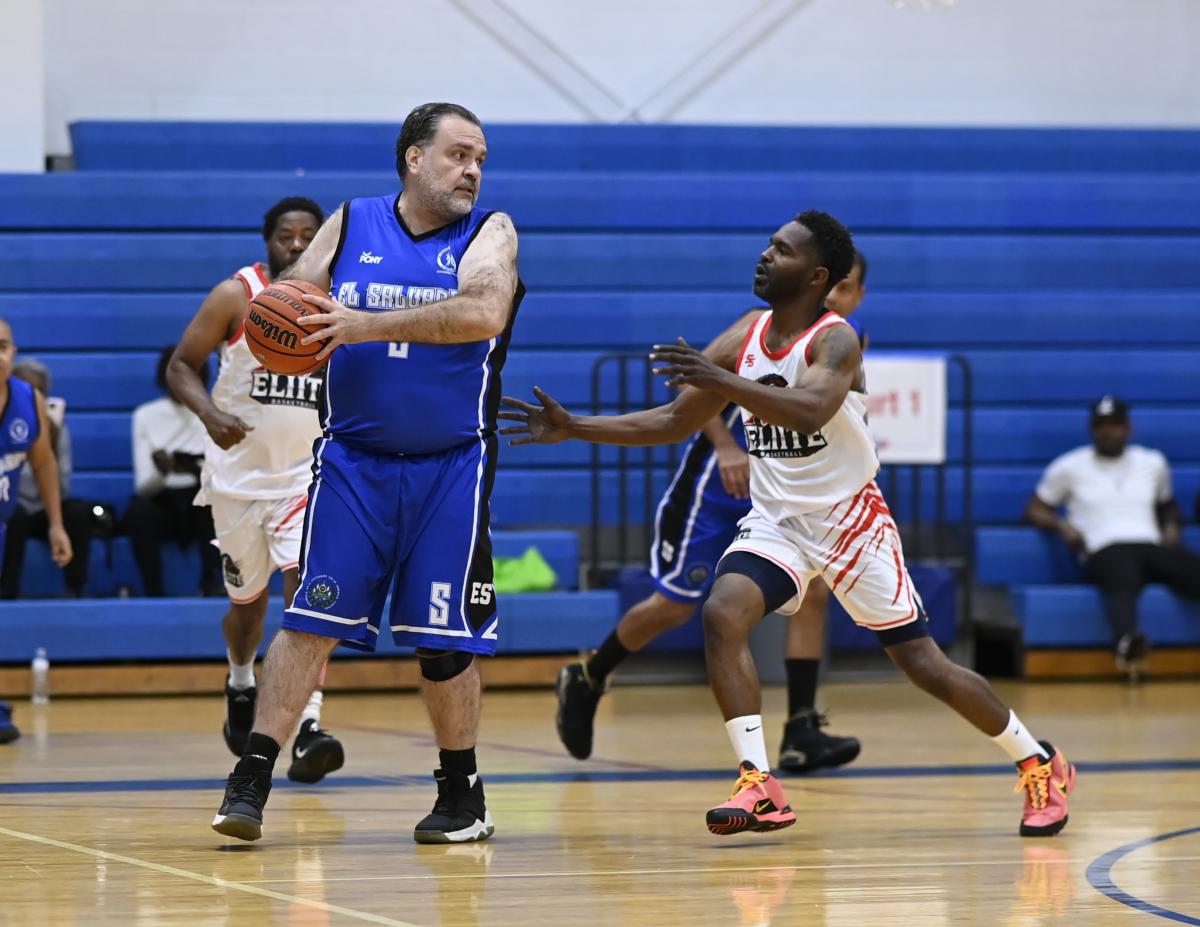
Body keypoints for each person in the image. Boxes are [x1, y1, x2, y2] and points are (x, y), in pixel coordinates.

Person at [502, 211, 1075, 838]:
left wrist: (723, 379)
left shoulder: (837, 340)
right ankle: (759, 784)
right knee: (722, 612)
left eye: (782, 250)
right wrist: (574, 427)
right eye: (769, 245)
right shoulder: (745, 335)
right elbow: (672, 421)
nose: (765, 255)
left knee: (923, 664)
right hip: (777, 521)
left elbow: (809, 410)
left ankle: (1038, 761)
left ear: (817, 275)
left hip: (851, 523)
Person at [211, 102, 522, 845]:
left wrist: (362, 324)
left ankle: (462, 795)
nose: (473, 170)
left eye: (480, 158)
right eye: (458, 155)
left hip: (451, 466)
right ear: (414, 157)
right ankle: (250, 778)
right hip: (351, 460)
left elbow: (484, 311)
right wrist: (284, 323)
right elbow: (292, 300)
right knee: (308, 622)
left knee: (444, 641)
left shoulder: (490, 231)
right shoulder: (350, 222)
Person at [555, 251, 870, 774]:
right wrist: (726, 446)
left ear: (858, 296)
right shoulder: (762, 326)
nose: (835, 298)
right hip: (718, 485)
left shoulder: (847, 340)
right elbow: (690, 386)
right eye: (831, 288)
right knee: (675, 604)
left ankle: (800, 727)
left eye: (846, 289)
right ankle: (589, 677)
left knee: (814, 593)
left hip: (784, 492)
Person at [167, 197, 345, 783]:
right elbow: (181, 365)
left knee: (306, 597)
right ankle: (241, 677)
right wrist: (210, 415)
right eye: (286, 235)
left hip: (304, 477)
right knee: (248, 610)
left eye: (308, 235)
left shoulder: (338, 300)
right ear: (267, 239)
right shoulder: (236, 295)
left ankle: (310, 725)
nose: (296, 244)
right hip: (238, 480)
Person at [1025, 396, 1200, 678]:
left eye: (1115, 425)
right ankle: (1127, 644)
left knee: (1191, 568)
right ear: (1091, 428)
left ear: (1128, 427)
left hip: (1149, 544)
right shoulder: (1069, 466)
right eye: (1101, 425)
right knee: (1121, 577)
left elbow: (1168, 506)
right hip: (1103, 548)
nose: (1108, 432)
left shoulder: (1152, 462)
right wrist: (1061, 525)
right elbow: (1035, 508)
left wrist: (1171, 526)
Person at [0, 318, 72, 744]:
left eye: (3, 346)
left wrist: (56, 525)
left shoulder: (28, 399)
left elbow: (43, 462)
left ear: (14, 352)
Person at [122, 347, 222, 596]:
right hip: (163, 499)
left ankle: (212, 581)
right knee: (139, 512)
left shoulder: (217, 411)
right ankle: (153, 589)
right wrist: (163, 471)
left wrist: (196, 469)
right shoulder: (146, 415)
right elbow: (143, 487)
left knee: (216, 504)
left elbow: (225, 477)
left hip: (202, 497)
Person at [1, 359, 94, 598]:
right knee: (14, 514)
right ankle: (8, 590)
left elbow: (62, 485)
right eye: (28, 389)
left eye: (40, 391)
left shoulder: (58, 430)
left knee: (78, 513)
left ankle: (75, 589)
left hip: (43, 508)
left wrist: (50, 441)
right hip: (14, 505)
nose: (35, 397)